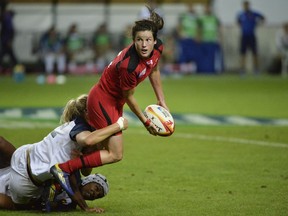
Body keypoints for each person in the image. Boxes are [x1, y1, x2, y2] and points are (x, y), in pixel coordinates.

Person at [50, 6, 169, 197]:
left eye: (148, 40)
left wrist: (161, 100)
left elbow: (154, 70)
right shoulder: (129, 66)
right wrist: (146, 122)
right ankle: (64, 168)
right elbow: (129, 96)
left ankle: (76, 160)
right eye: (139, 40)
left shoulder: (157, 49)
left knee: (101, 150)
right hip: (103, 100)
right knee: (115, 153)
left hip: (114, 101)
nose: (144, 45)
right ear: (133, 41)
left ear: (155, 41)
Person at [6, 94, 128, 212]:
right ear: (87, 111)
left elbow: (86, 171)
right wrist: (118, 125)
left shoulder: (76, 124)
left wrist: (86, 156)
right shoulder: (81, 128)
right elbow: (87, 140)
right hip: (27, 180)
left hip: (24, 154)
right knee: (16, 205)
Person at [236, 0, 265, 75]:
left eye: (247, 5)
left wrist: (257, 24)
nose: (245, 7)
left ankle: (256, 69)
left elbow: (263, 18)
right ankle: (242, 70)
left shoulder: (253, 14)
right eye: (244, 5)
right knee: (243, 53)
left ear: (249, 6)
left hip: (252, 35)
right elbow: (238, 22)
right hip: (244, 36)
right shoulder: (241, 14)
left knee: (255, 53)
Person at [0, 0, 18, 74]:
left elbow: (10, 30)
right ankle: (18, 68)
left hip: (6, 40)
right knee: (10, 55)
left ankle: (18, 69)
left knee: (8, 55)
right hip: (5, 39)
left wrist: (9, 40)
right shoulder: (6, 16)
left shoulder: (7, 17)